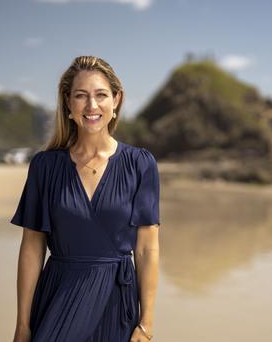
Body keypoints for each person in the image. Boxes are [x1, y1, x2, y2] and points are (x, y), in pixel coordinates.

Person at [10, 56, 160, 342]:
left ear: (116, 100)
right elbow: (32, 249)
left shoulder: (140, 164)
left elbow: (146, 250)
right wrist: (22, 325)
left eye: (101, 95)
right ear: (68, 103)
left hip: (117, 304)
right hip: (58, 299)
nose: (92, 106)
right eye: (81, 96)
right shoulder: (45, 166)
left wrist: (146, 324)